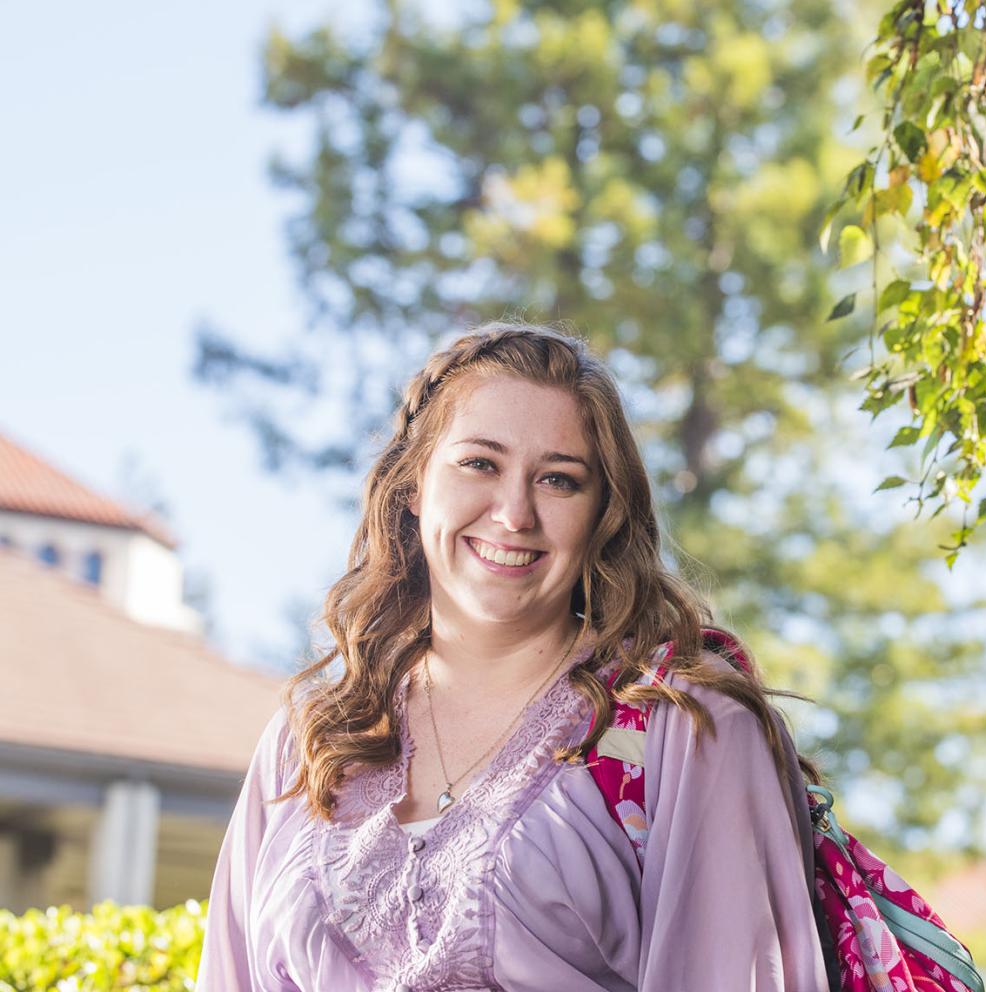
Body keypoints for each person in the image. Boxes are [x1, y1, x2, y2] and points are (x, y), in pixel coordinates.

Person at [196, 322, 830, 991]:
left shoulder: (683, 725)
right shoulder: (313, 741)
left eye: (559, 480)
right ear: (413, 485)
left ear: (603, 513)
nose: (514, 513)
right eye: (480, 464)